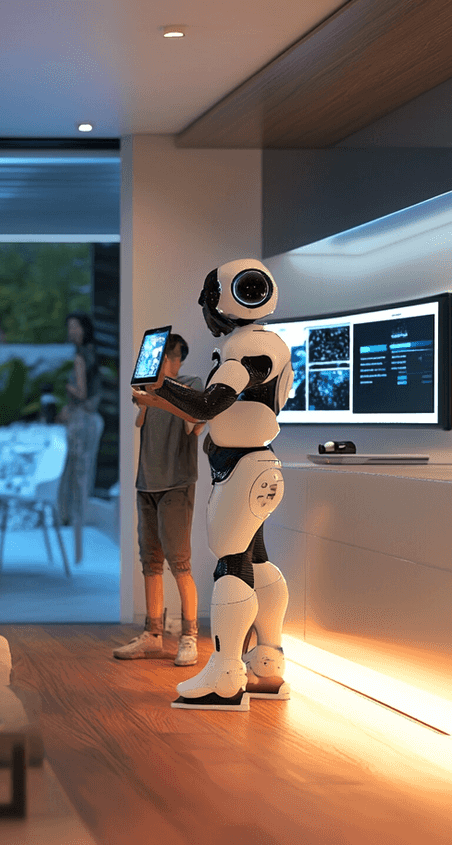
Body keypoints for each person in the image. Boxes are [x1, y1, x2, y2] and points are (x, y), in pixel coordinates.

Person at [133, 259, 292, 711]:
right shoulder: (270, 343)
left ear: (218, 300)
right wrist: (162, 395)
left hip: (242, 469)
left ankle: (225, 674)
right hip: (257, 462)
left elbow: (208, 405)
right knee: (256, 560)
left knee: (231, 564)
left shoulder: (243, 348)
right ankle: (267, 664)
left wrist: (162, 386)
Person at [114, 333, 204, 666]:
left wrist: (157, 395)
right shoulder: (147, 391)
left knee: (179, 562)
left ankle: (189, 635)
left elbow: (195, 423)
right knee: (150, 562)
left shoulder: (191, 385)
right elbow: (141, 420)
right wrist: (145, 399)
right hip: (147, 484)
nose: (156, 362)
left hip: (176, 484)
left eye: (163, 356)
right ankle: (153, 635)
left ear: (174, 358)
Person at [59, 312, 105, 552]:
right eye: (70, 327)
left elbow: (82, 392)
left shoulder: (80, 357)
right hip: (92, 420)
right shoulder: (92, 353)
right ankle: (80, 524)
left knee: (77, 472)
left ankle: (76, 524)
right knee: (85, 470)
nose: (72, 331)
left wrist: (66, 387)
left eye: (75, 326)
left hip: (82, 420)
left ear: (84, 329)